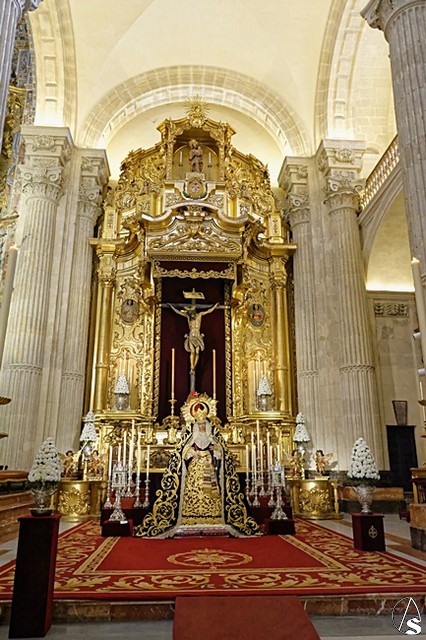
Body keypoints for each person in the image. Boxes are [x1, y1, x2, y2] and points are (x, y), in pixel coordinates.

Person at [180, 415, 223, 525]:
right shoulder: (193, 437)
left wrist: (216, 448)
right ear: (196, 426)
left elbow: (220, 451)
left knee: (210, 486)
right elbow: (185, 448)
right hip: (196, 463)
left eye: (204, 424)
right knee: (194, 484)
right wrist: (192, 452)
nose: (202, 426)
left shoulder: (211, 437)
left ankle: (211, 511)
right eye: (200, 424)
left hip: (208, 463)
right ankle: (191, 511)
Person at [169, 302, 219, 372]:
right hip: (191, 337)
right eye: (191, 315)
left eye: (192, 314)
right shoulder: (188, 317)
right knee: (192, 352)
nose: (192, 316)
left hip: (197, 336)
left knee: (197, 352)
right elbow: (179, 313)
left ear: (194, 313)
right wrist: (171, 307)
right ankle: (192, 367)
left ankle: (193, 367)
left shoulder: (200, 315)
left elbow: (208, 311)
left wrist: (215, 306)